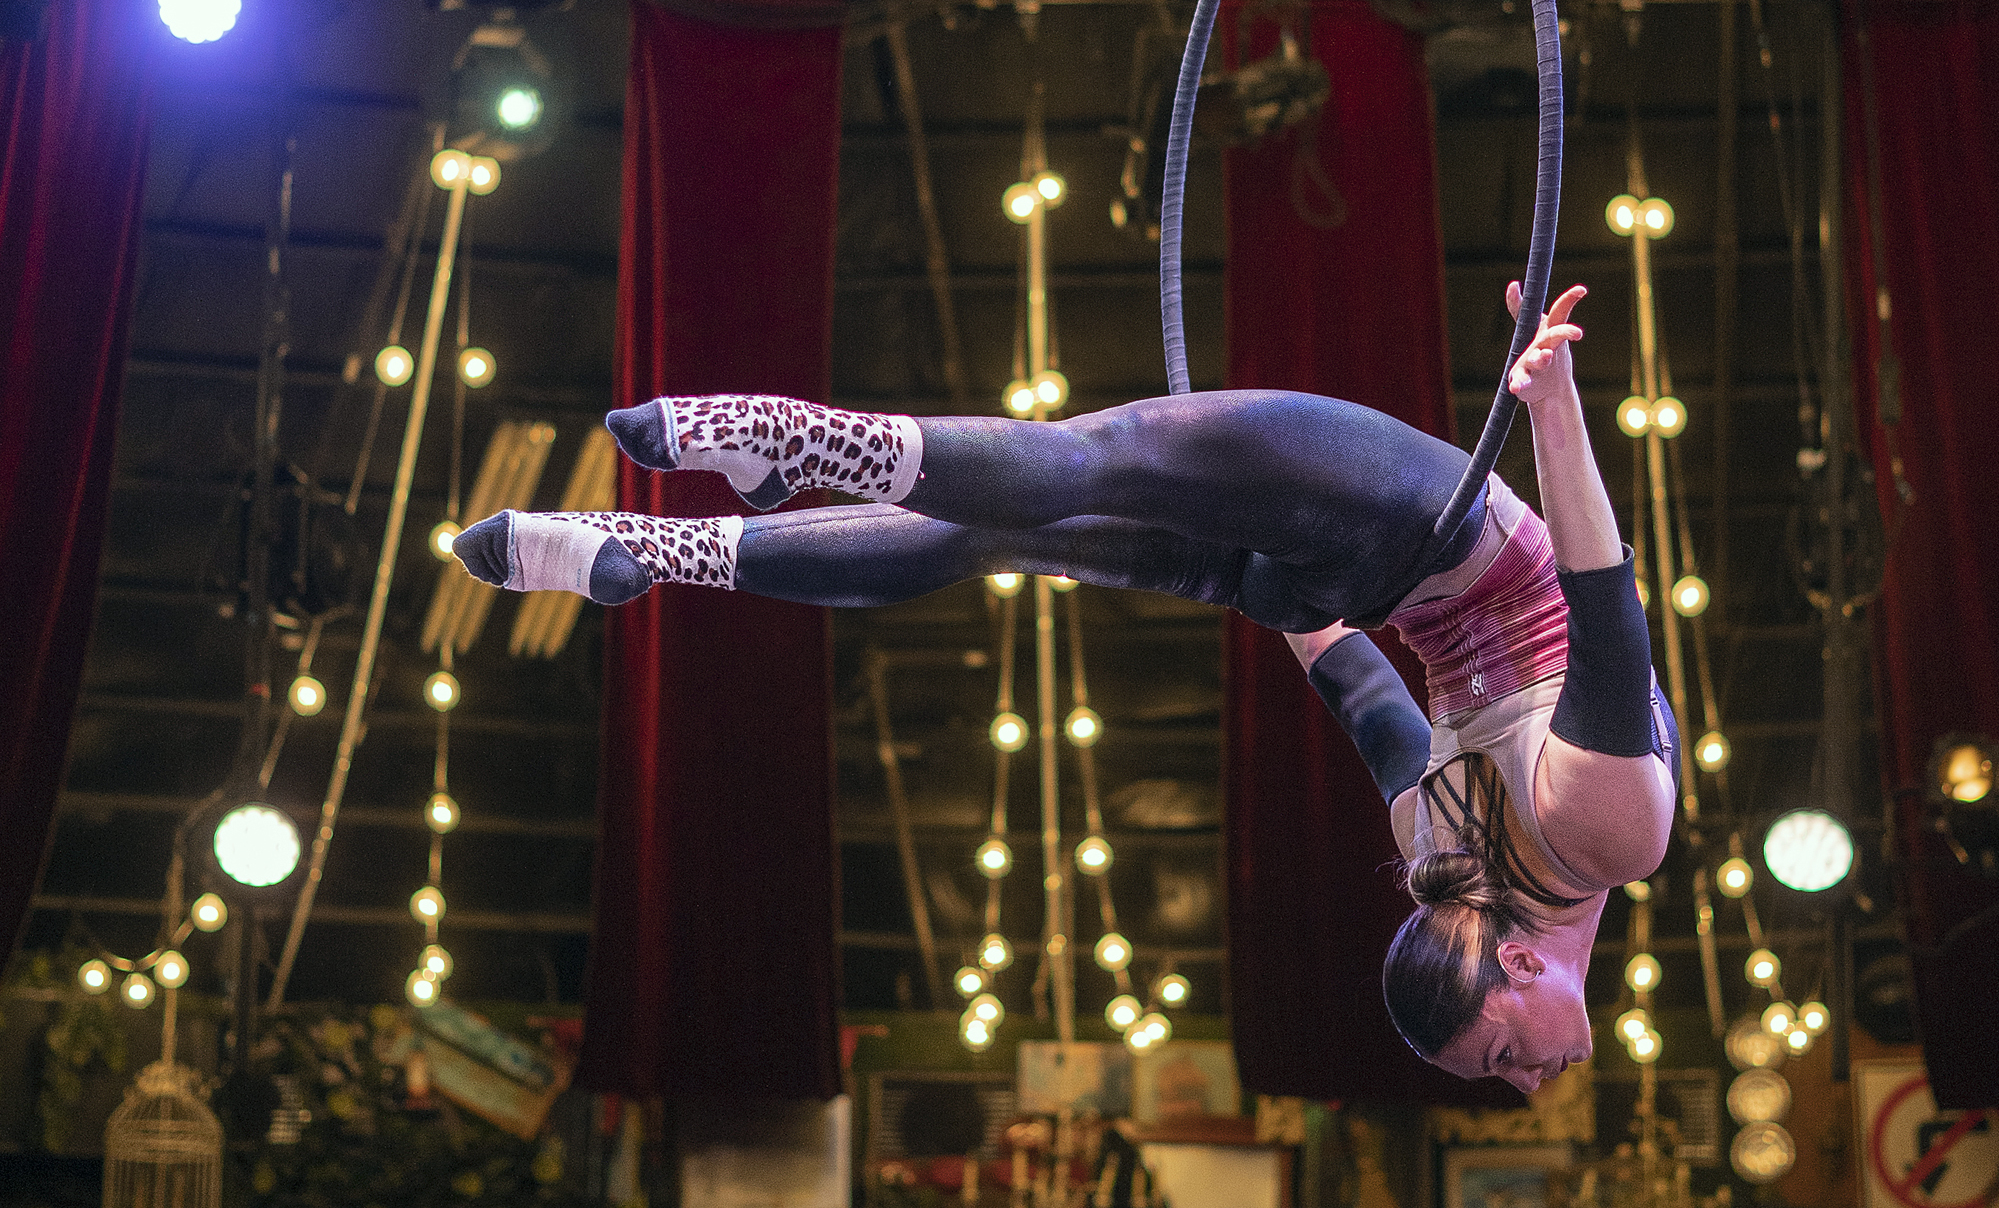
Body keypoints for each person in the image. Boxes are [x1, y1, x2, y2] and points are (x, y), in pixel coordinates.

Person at [451, 284, 1674, 1088]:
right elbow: (1598, 602)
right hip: (1374, 541)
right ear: (1512, 971)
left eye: (1499, 1068)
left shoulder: (1505, 850)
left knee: (1068, 483)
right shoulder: (1539, 840)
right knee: (1076, 481)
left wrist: (1269, 583)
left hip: (1378, 542)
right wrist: (1549, 406)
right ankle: (765, 465)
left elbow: (1364, 685)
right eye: (1508, 1062)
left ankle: (660, 541)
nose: (1530, 1080)